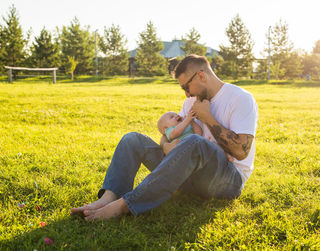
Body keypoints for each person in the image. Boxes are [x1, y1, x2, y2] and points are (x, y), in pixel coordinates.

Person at [70, 54, 258, 221]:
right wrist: (165, 146)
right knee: (132, 139)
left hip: (227, 182)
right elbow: (169, 134)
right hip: (188, 177)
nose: (186, 93)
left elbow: (241, 151)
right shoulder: (191, 101)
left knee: (196, 143)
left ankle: (124, 205)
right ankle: (108, 197)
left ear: (201, 75)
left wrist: (207, 117)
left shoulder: (240, 98)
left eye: (186, 86)